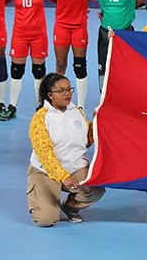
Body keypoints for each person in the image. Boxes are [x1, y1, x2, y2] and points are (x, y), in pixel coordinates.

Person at [27, 73, 105, 226]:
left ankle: (69, 207)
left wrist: (96, 123)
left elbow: (85, 141)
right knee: (46, 220)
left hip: (74, 167)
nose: (67, 93)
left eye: (69, 89)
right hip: (45, 171)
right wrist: (64, 177)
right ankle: (46, 202)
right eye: (61, 91)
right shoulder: (40, 119)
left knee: (96, 189)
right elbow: (45, 155)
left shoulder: (76, 111)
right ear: (50, 95)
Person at [47, 0, 99, 109]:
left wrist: (85, 3)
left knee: (79, 65)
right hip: (61, 26)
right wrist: (65, 5)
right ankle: (56, 101)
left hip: (79, 27)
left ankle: (81, 105)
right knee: (60, 64)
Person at [6, 0, 55, 121]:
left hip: (38, 36)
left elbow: (61, 1)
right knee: (16, 71)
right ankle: (12, 106)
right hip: (20, 35)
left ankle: (40, 105)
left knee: (38, 71)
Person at [91, 0, 142, 89]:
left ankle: (124, 96)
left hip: (126, 33)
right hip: (105, 32)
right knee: (104, 67)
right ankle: (103, 97)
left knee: (126, 67)